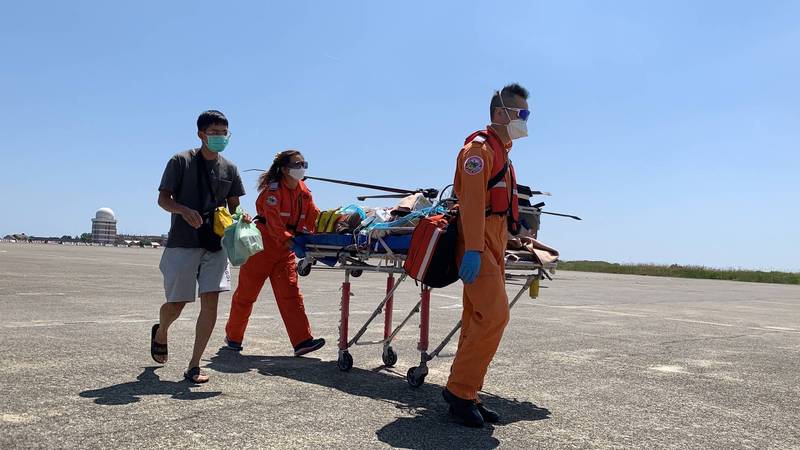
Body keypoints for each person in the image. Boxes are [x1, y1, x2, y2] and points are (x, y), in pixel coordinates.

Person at [442, 84, 530, 427]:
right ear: (500, 114)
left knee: (478, 318)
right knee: (495, 316)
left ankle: (467, 393)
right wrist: (475, 249)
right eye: (520, 114)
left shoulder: (502, 152)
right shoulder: (478, 151)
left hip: (493, 238)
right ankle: (459, 390)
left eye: (527, 114)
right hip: (476, 238)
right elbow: (474, 203)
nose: (525, 120)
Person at [151, 110, 247, 383]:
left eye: (224, 133)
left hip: (216, 245)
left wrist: (242, 218)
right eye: (214, 133)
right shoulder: (180, 161)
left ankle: (194, 365)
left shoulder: (230, 168)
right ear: (201, 134)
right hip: (184, 242)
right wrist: (183, 210)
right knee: (177, 303)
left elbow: (235, 207)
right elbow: (163, 199)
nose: (220, 138)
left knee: (211, 302)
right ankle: (161, 331)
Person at [224, 150, 325, 356]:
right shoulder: (272, 192)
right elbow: (273, 222)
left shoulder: (304, 191)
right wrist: (290, 241)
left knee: (291, 295)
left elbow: (313, 216)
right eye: (297, 164)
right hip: (262, 248)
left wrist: (322, 233)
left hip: (285, 251)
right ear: (284, 169)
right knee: (246, 295)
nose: (302, 167)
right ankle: (233, 336)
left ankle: (302, 341)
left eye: (304, 163)